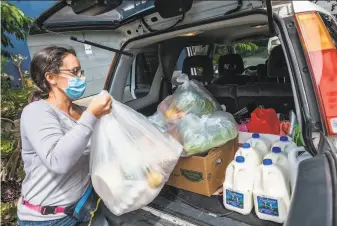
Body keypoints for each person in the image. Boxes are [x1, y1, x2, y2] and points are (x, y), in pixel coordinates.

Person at [17, 46, 112, 225]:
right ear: (51, 77)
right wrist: (91, 115)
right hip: (49, 219)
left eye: (80, 71)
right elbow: (58, 161)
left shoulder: (83, 112)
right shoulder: (36, 112)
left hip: (84, 206)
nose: (81, 77)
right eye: (74, 72)